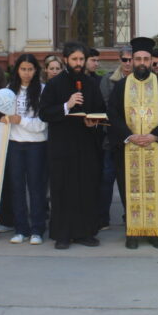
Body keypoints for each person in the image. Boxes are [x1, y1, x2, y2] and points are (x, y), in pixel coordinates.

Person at [107, 36, 158, 249]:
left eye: (146, 59)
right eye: (138, 59)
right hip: (129, 148)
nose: (142, 63)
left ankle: (155, 233)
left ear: (151, 61)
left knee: (156, 192)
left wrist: (155, 135)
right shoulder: (121, 86)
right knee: (130, 191)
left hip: (156, 149)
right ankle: (132, 233)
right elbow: (113, 114)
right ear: (132, 60)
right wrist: (129, 135)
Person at [39, 42, 107, 249]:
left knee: (86, 188)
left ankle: (85, 233)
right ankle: (63, 234)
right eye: (74, 59)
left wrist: (94, 121)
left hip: (86, 146)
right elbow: (44, 113)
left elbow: (101, 110)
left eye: (81, 59)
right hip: (62, 147)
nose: (78, 63)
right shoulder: (54, 84)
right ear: (66, 60)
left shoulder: (91, 84)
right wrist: (66, 106)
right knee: (63, 190)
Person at [0, 54, 48, 246]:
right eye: (23, 69)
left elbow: (43, 124)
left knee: (37, 188)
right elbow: (3, 116)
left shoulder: (43, 90)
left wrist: (21, 120)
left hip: (37, 144)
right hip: (14, 144)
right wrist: (5, 120)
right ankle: (21, 229)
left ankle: (37, 229)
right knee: (17, 187)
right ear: (17, 70)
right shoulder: (8, 91)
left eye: (30, 69)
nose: (26, 73)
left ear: (36, 71)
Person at [97, 45, 132, 230]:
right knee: (107, 179)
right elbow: (105, 105)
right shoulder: (108, 79)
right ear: (120, 60)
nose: (128, 63)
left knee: (129, 181)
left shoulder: (141, 80)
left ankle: (130, 217)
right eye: (124, 59)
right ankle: (103, 218)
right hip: (111, 138)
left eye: (131, 60)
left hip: (133, 138)